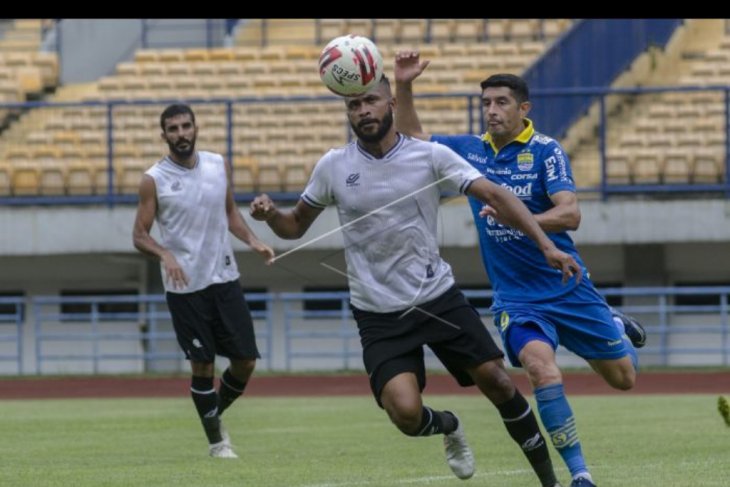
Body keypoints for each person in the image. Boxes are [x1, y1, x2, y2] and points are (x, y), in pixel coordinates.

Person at [250, 75, 583, 486]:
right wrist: (271, 217)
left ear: (391, 102)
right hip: (377, 314)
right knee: (406, 415)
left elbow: (498, 196)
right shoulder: (333, 166)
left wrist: (546, 245)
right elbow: (294, 227)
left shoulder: (431, 156)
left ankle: (550, 481)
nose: (363, 111)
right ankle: (449, 426)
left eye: (371, 101)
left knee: (498, 381)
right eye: (354, 106)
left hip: (436, 298)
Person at [394, 51, 647, 487]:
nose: (491, 110)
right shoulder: (469, 151)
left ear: (523, 108)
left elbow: (570, 215)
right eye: (486, 103)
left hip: (567, 285)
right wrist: (404, 85)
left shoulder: (547, 151)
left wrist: (519, 218)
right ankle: (580, 473)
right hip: (517, 297)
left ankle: (614, 325)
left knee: (624, 378)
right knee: (540, 370)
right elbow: (413, 136)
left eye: (501, 103)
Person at [132, 104, 275, 458]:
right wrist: (165, 255)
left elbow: (229, 212)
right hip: (185, 289)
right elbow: (139, 235)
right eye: (173, 129)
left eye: (186, 126)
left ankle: (211, 415)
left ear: (196, 128)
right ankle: (217, 442)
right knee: (203, 365)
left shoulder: (217, 164)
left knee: (246, 362)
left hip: (225, 278)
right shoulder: (153, 179)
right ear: (163, 135)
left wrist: (254, 241)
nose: (181, 134)